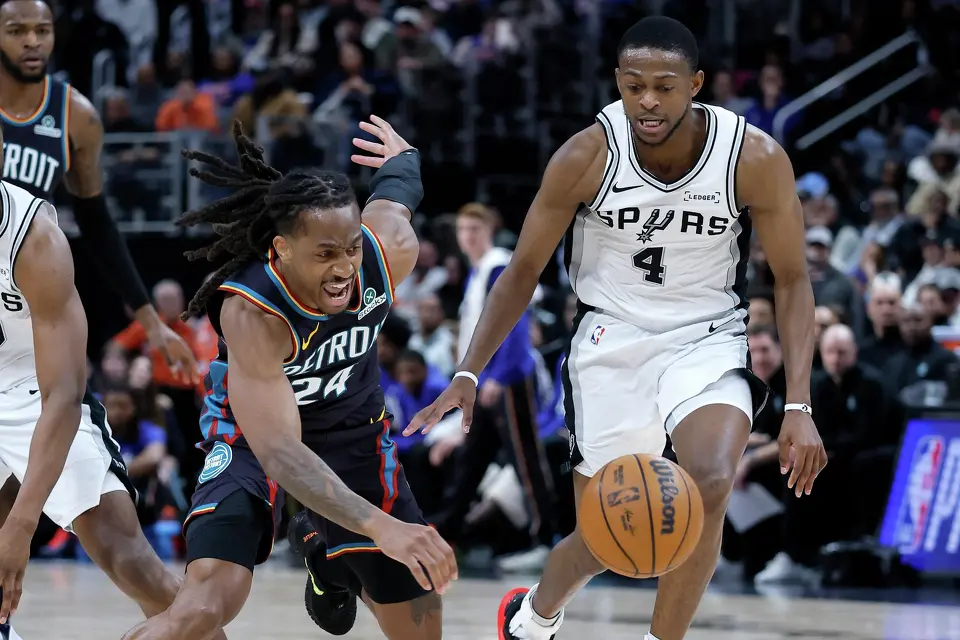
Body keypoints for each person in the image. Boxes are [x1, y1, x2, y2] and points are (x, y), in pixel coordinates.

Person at [407, 17, 827, 640]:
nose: (648, 101)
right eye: (634, 87)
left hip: (707, 335)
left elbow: (792, 280)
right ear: (618, 85)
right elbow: (522, 269)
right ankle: (533, 617)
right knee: (609, 532)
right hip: (610, 341)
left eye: (664, 86)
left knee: (709, 483)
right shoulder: (586, 155)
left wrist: (799, 402)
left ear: (696, 85)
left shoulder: (754, 157)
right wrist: (469, 369)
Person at [120, 118, 456, 640]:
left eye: (350, 247)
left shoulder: (386, 252)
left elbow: (397, 192)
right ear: (281, 250)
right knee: (202, 610)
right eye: (325, 253)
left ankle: (330, 559)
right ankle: (329, 543)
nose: (345, 267)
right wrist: (384, 528)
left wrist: (403, 159)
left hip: (353, 434)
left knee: (421, 629)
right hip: (255, 440)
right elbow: (280, 453)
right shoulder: (253, 312)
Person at [0, 124, 192, 640]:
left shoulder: (32, 236)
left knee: (128, 559)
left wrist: (22, 524)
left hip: (34, 392)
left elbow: (63, 394)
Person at [0, 0, 195, 376]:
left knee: (70, 410)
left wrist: (152, 325)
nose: (31, 41)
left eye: (42, 30)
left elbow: (98, 225)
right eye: (16, 31)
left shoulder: (76, 115)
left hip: (27, 289)